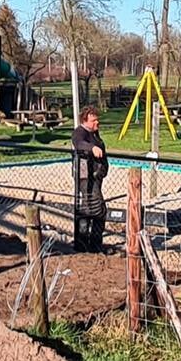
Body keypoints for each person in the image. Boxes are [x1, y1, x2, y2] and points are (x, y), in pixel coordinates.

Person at [72, 106, 108, 253]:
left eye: (97, 119)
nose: (97, 123)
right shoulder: (79, 132)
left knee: (89, 208)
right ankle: (91, 243)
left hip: (95, 176)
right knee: (97, 209)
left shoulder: (94, 133)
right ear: (85, 121)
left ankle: (86, 242)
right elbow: (78, 143)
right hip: (85, 177)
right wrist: (92, 148)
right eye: (93, 120)